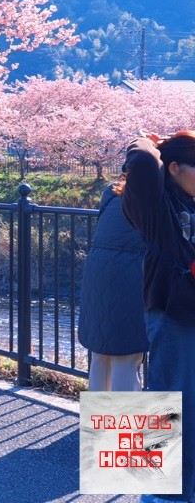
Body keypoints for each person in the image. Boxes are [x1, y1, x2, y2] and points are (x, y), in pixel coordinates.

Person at [121, 132, 195, 503]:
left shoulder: (190, 201)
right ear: (175, 168)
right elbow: (143, 161)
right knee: (170, 404)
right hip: (173, 313)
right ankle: (159, 496)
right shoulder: (156, 205)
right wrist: (150, 142)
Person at [77, 178, 148, 392]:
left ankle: (100, 423)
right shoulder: (154, 198)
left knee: (102, 356)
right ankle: (127, 425)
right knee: (127, 358)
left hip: (98, 275)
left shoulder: (112, 193)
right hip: (131, 275)